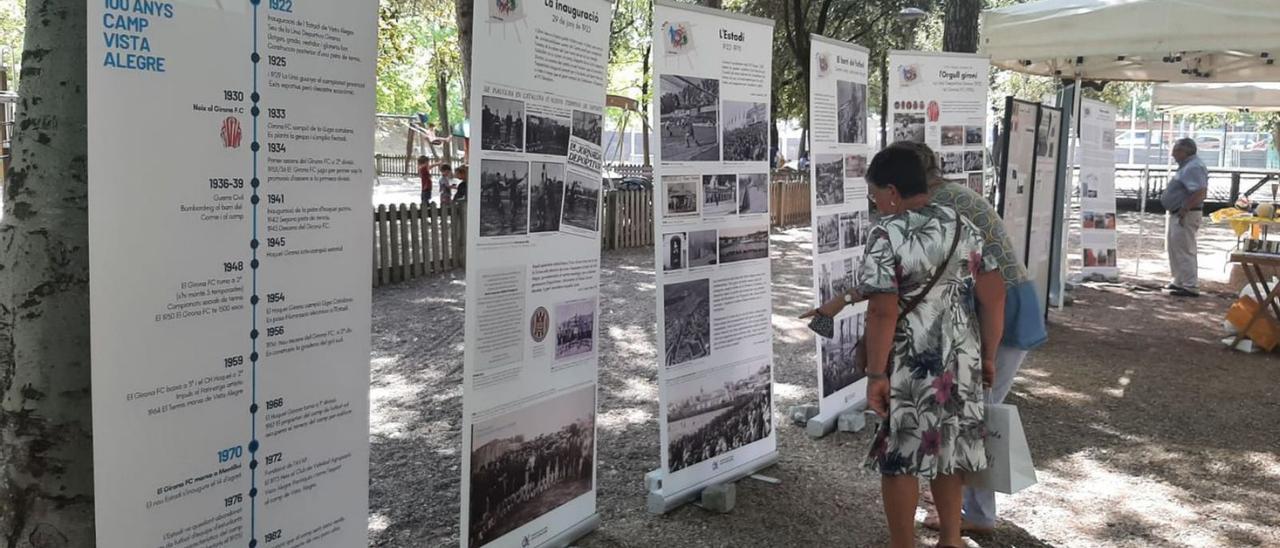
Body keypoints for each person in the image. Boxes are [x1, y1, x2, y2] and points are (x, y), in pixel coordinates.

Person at [804, 147, 1005, 548]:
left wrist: (876, 374)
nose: (875, 202)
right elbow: (995, 296)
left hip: (912, 363)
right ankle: (950, 539)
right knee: (950, 452)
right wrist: (988, 354)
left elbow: (882, 312)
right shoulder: (962, 224)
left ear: (892, 191)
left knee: (899, 459)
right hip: (960, 358)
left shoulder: (887, 233)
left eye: (875, 193)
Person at [893, 141, 1047, 534]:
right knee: (975, 410)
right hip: (1010, 302)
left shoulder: (938, 205)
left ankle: (976, 514)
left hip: (1002, 307)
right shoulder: (952, 195)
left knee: (974, 415)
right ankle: (964, 506)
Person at [1161, 137, 1208, 297]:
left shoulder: (1194, 166)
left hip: (1186, 213)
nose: (1173, 154)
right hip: (1178, 212)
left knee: (1185, 249)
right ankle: (1179, 280)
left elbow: (1200, 191)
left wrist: (1185, 208)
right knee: (1175, 248)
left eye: (1176, 150)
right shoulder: (1187, 166)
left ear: (1185, 151)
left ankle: (1190, 284)